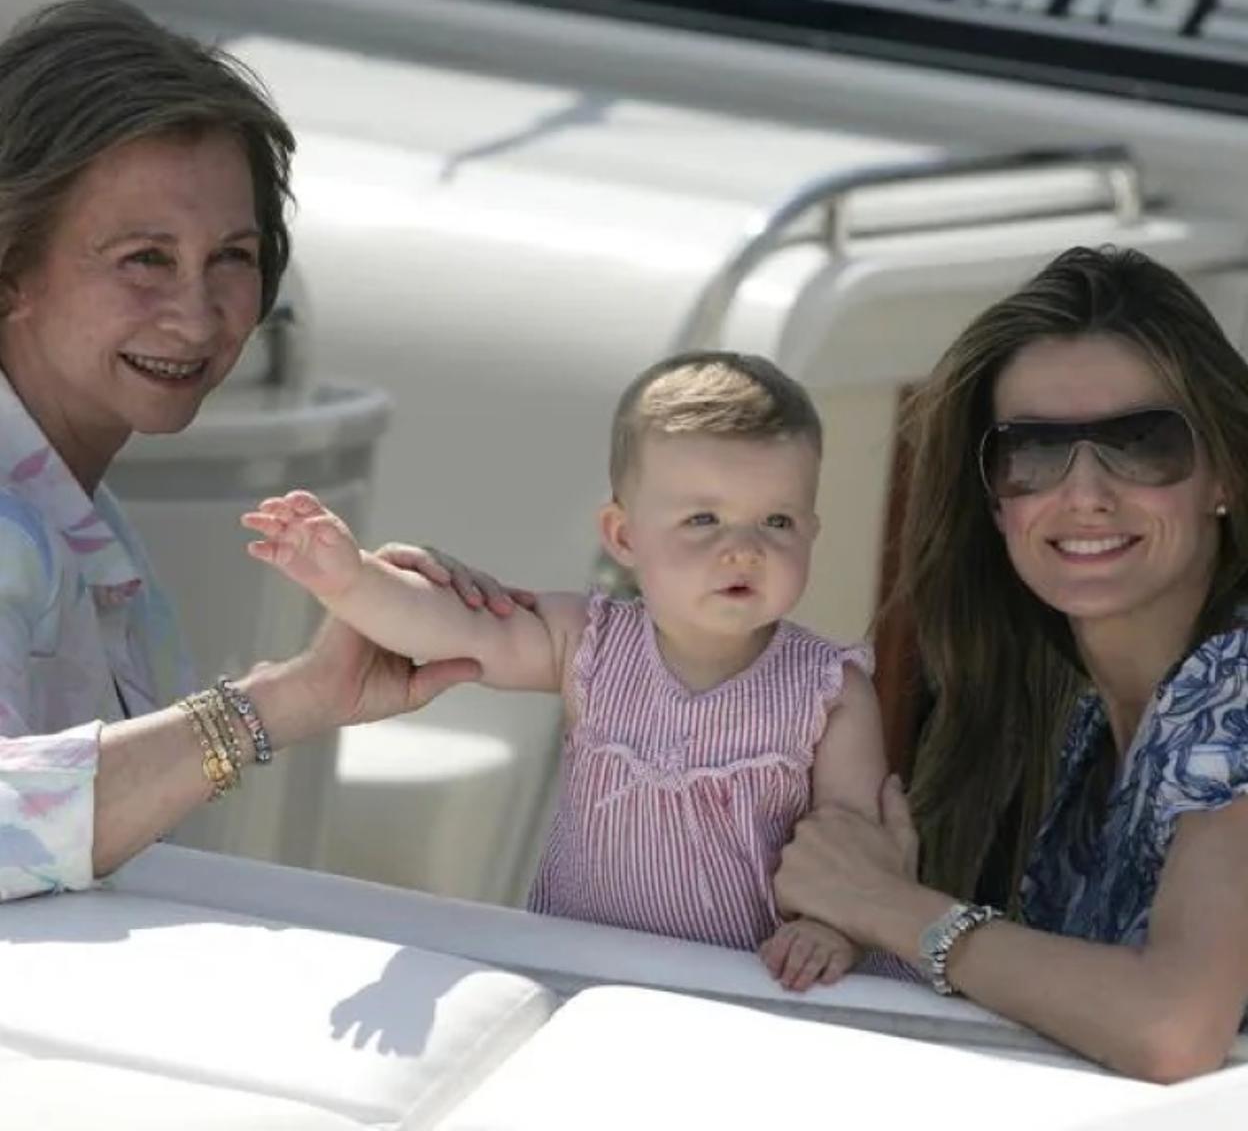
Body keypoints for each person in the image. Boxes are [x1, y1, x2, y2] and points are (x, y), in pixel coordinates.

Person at [0, 0, 506, 903]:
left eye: (232, 256)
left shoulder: (72, 516)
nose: (197, 316)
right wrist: (289, 699)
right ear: (11, 270)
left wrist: (318, 685)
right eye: (145, 259)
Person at [244, 351, 896, 991]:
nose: (745, 550)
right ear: (623, 536)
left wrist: (828, 931)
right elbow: (454, 629)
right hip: (583, 977)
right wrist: (349, 579)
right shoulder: (587, 642)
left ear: (811, 532)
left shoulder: (830, 691)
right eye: (704, 519)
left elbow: (853, 841)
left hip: (749, 991)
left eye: (776, 521)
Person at [773, 245, 1248, 1080]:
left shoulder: (1230, 702)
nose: (1085, 493)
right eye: (1033, 453)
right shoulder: (1091, 718)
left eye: (1140, 444)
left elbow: (1174, 1025)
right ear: (995, 500)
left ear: (1225, 476)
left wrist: (891, 906)